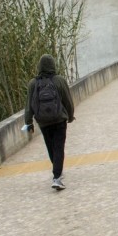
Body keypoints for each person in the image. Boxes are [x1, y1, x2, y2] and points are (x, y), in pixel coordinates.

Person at [24, 54, 75, 190]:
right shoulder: (59, 81)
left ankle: (57, 171)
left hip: (43, 122)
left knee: (51, 147)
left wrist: (29, 122)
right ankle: (57, 177)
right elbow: (68, 101)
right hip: (59, 120)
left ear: (39, 66)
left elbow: (29, 106)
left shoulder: (33, 84)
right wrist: (70, 116)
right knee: (59, 147)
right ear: (53, 65)